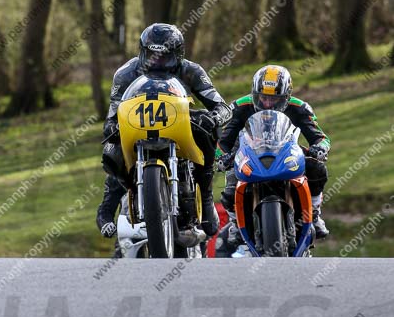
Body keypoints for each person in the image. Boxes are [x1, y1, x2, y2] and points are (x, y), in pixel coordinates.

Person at [96, 23, 231, 239]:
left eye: (164, 56)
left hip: (179, 124)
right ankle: (105, 212)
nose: (157, 61)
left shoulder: (192, 71)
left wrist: (216, 116)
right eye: (152, 55)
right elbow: (113, 112)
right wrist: (111, 126)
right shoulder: (125, 74)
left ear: (178, 54)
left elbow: (221, 105)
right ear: (143, 52)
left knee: (207, 128)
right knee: (112, 148)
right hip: (137, 125)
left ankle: (205, 197)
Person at [216, 64, 331, 242]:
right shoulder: (239, 107)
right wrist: (221, 157)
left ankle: (314, 213)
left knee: (317, 169)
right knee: (232, 182)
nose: (268, 103)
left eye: (274, 99)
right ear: (255, 94)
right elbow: (223, 141)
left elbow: (320, 137)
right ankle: (235, 223)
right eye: (263, 98)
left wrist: (321, 148)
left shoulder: (300, 108)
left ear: (286, 97)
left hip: (287, 151)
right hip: (248, 153)